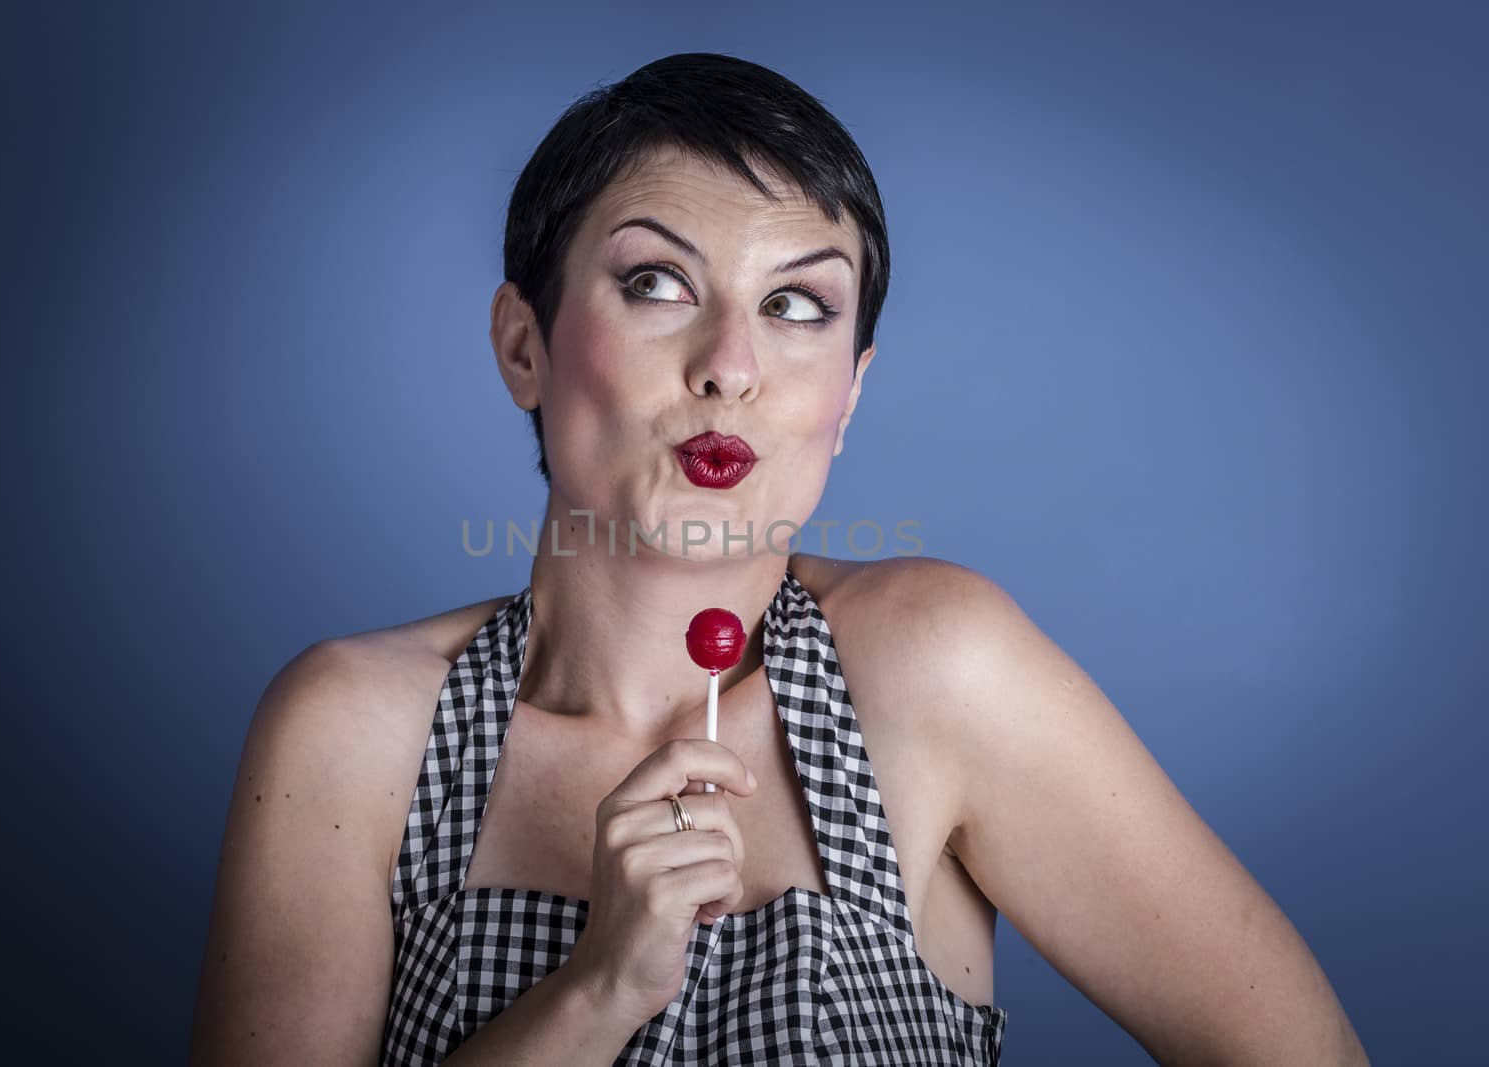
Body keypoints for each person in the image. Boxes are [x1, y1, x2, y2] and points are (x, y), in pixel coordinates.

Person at [188, 53, 1368, 1066]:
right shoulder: (352, 730)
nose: (730, 365)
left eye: (799, 305)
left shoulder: (933, 669)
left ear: (849, 393)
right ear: (523, 346)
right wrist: (597, 991)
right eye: (656, 282)